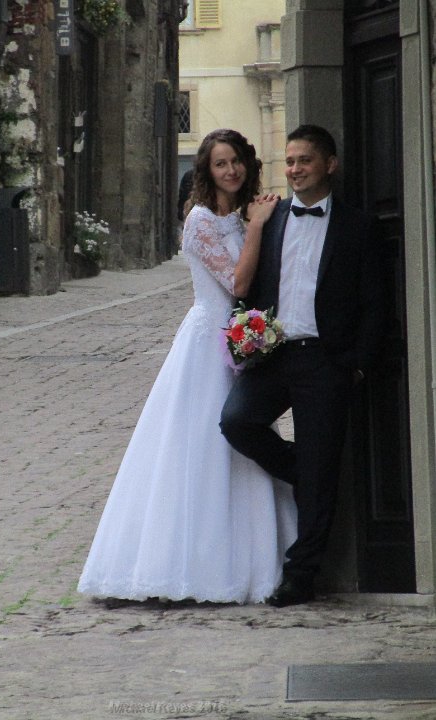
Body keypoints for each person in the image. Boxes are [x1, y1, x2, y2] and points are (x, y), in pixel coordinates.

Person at [77, 129, 297, 604]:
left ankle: (252, 555)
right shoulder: (199, 221)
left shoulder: (238, 218)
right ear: (206, 171)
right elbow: (237, 284)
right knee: (199, 448)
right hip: (206, 346)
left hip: (240, 342)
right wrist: (258, 226)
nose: (231, 170)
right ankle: (184, 565)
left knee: (244, 440)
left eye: (236, 160)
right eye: (220, 164)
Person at [220, 124, 386, 607]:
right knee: (236, 421)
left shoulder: (358, 227)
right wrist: (245, 336)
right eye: (289, 162)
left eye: (305, 161)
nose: (294, 170)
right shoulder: (269, 218)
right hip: (273, 355)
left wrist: (356, 365)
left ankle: (301, 576)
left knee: (320, 463)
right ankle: (308, 474)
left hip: (325, 362)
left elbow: (376, 303)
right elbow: (245, 285)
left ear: (329, 165)